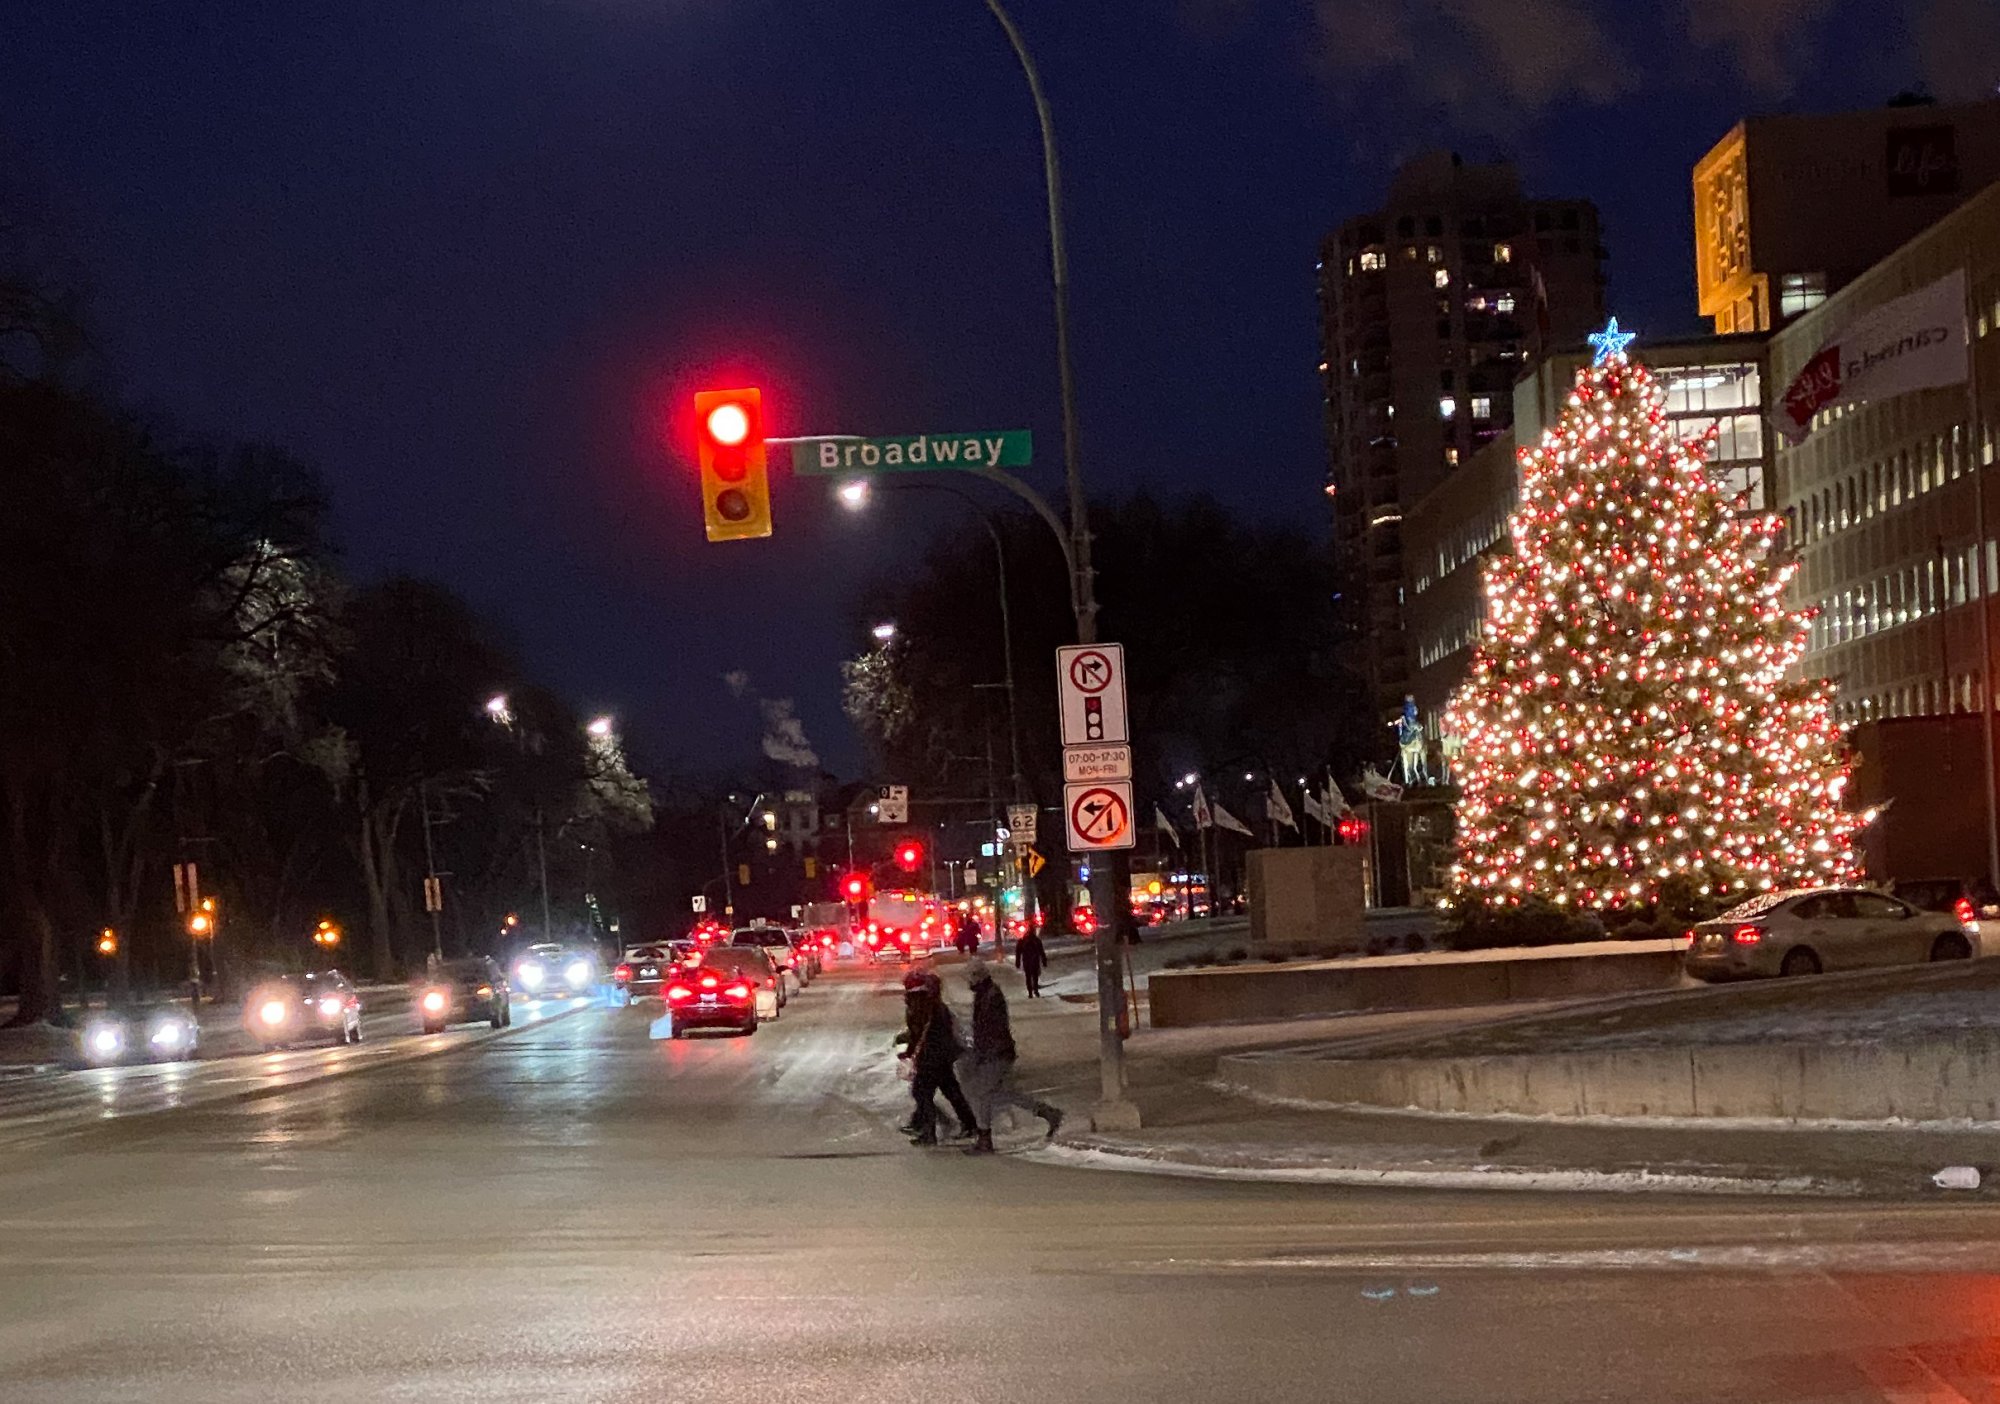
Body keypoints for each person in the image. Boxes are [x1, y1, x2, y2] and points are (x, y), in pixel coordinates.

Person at [958, 956, 1062, 1154]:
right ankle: (1049, 1113)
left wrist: (982, 1053)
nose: (968, 983)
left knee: (981, 1093)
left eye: (969, 978)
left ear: (976, 976)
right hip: (997, 1053)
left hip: (996, 1054)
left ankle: (985, 1139)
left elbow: (991, 1029)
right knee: (1001, 1095)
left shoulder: (989, 995)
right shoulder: (985, 994)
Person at [897, 968, 977, 1145]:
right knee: (951, 1091)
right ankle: (970, 1124)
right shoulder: (935, 1004)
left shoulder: (921, 1004)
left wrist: (911, 1053)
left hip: (931, 1058)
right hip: (942, 1057)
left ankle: (928, 1133)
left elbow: (920, 1034)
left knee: (921, 1093)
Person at [1013, 927, 1047, 998]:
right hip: (1035, 961)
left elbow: (1018, 953)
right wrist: (1044, 961)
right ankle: (1036, 990)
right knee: (1035, 976)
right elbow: (1041, 952)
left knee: (1028, 977)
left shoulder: (1022, 940)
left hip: (1026, 961)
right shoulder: (1037, 940)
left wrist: (1017, 962)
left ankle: (1030, 992)